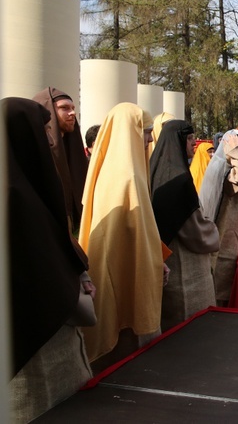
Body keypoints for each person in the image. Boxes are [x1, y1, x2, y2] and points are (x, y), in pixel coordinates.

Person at [4, 98, 93, 423]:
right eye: (44, 130)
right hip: (36, 335)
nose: (52, 137)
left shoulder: (25, 186)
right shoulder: (13, 194)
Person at [79, 103, 168, 369]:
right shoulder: (127, 176)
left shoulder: (112, 169)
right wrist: (154, 262)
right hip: (123, 270)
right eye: (146, 131)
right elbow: (133, 235)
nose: (151, 139)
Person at [151, 120, 220, 331]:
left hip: (167, 258)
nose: (193, 143)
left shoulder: (156, 169)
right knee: (191, 325)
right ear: (177, 142)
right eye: (189, 138)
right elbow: (193, 229)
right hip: (185, 266)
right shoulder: (179, 178)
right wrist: (214, 231)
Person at [199, 129, 238, 306]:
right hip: (222, 236)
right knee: (222, 283)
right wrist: (236, 152)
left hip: (232, 234)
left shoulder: (232, 168)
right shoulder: (225, 171)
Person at [32, 87, 89, 234]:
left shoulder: (72, 149)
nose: (72, 113)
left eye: (73, 108)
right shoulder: (37, 151)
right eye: (64, 108)